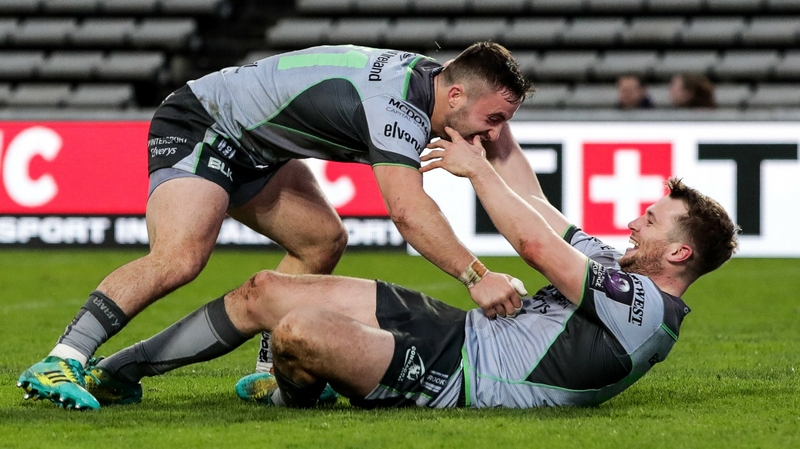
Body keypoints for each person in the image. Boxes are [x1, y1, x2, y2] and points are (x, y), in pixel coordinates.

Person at [65, 123, 738, 410]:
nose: (631, 222)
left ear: (679, 252)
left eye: (649, 221)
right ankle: (116, 373)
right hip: (453, 328)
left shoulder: (646, 313)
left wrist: (474, 171)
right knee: (263, 288)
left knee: (299, 331)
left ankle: (298, 393)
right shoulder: (617, 267)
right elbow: (532, 197)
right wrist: (495, 129)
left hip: (456, 377)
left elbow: (535, 244)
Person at [16, 42, 534, 410]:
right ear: (458, 94)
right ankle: (64, 357)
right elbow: (407, 211)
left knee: (321, 241)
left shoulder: (435, 83)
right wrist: (475, 276)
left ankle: (265, 374)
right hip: (206, 123)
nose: (494, 134)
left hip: (257, 147)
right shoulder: (396, 107)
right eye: (493, 120)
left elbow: (507, 160)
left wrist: (567, 246)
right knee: (179, 256)